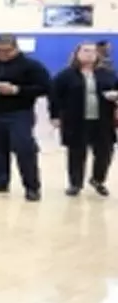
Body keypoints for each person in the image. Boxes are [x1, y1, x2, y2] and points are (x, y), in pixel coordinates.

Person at [0, 33, 51, 201]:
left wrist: (17, 90)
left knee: (24, 149)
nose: (3, 54)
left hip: (19, 113)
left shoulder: (31, 66)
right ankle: (0, 181)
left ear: (16, 48)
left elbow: (45, 87)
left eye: (7, 51)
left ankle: (32, 186)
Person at [49, 42, 117, 197]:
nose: (90, 54)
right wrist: (54, 116)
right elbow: (54, 97)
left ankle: (98, 179)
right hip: (76, 120)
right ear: (77, 54)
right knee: (76, 152)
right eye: (86, 51)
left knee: (105, 151)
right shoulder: (65, 75)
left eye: (93, 51)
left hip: (102, 120)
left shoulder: (108, 74)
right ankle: (75, 183)